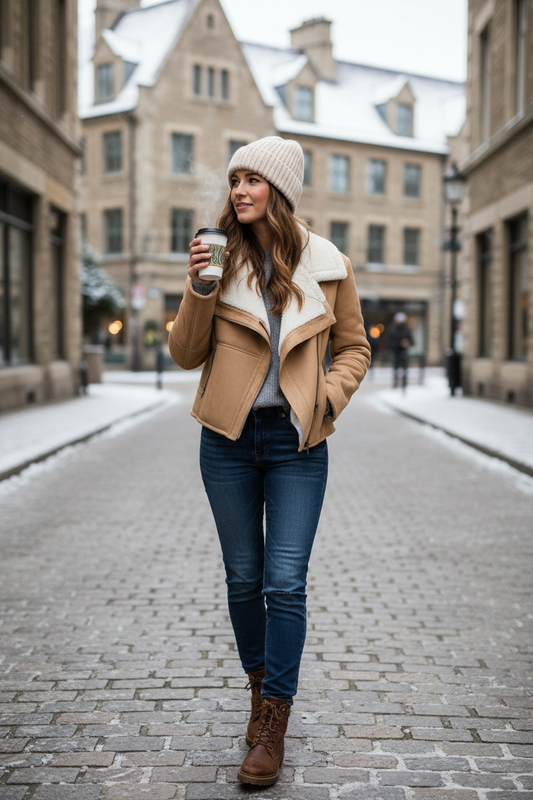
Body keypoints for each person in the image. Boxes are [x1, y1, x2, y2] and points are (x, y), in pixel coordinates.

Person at [169, 137, 371, 786]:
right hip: (225, 443)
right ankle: (259, 697)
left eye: (253, 180)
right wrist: (198, 286)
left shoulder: (328, 265)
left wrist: (324, 402)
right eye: (234, 179)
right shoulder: (216, 259)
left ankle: (272, 723)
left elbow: (354, 349)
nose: (239, 191)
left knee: (284, 582)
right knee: (242, 579)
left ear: (279, 191)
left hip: (297, 446)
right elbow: (183, 353)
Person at [387, 311, 413, 390]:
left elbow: (412, 340)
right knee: (396, 369)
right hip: (396, 352)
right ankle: (395, 384)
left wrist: (407, 343)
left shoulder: (406, 330)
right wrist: (399, 344)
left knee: (404, 369)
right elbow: (389, 342)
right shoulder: (392, 330)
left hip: (404, 353)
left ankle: (404, 384)